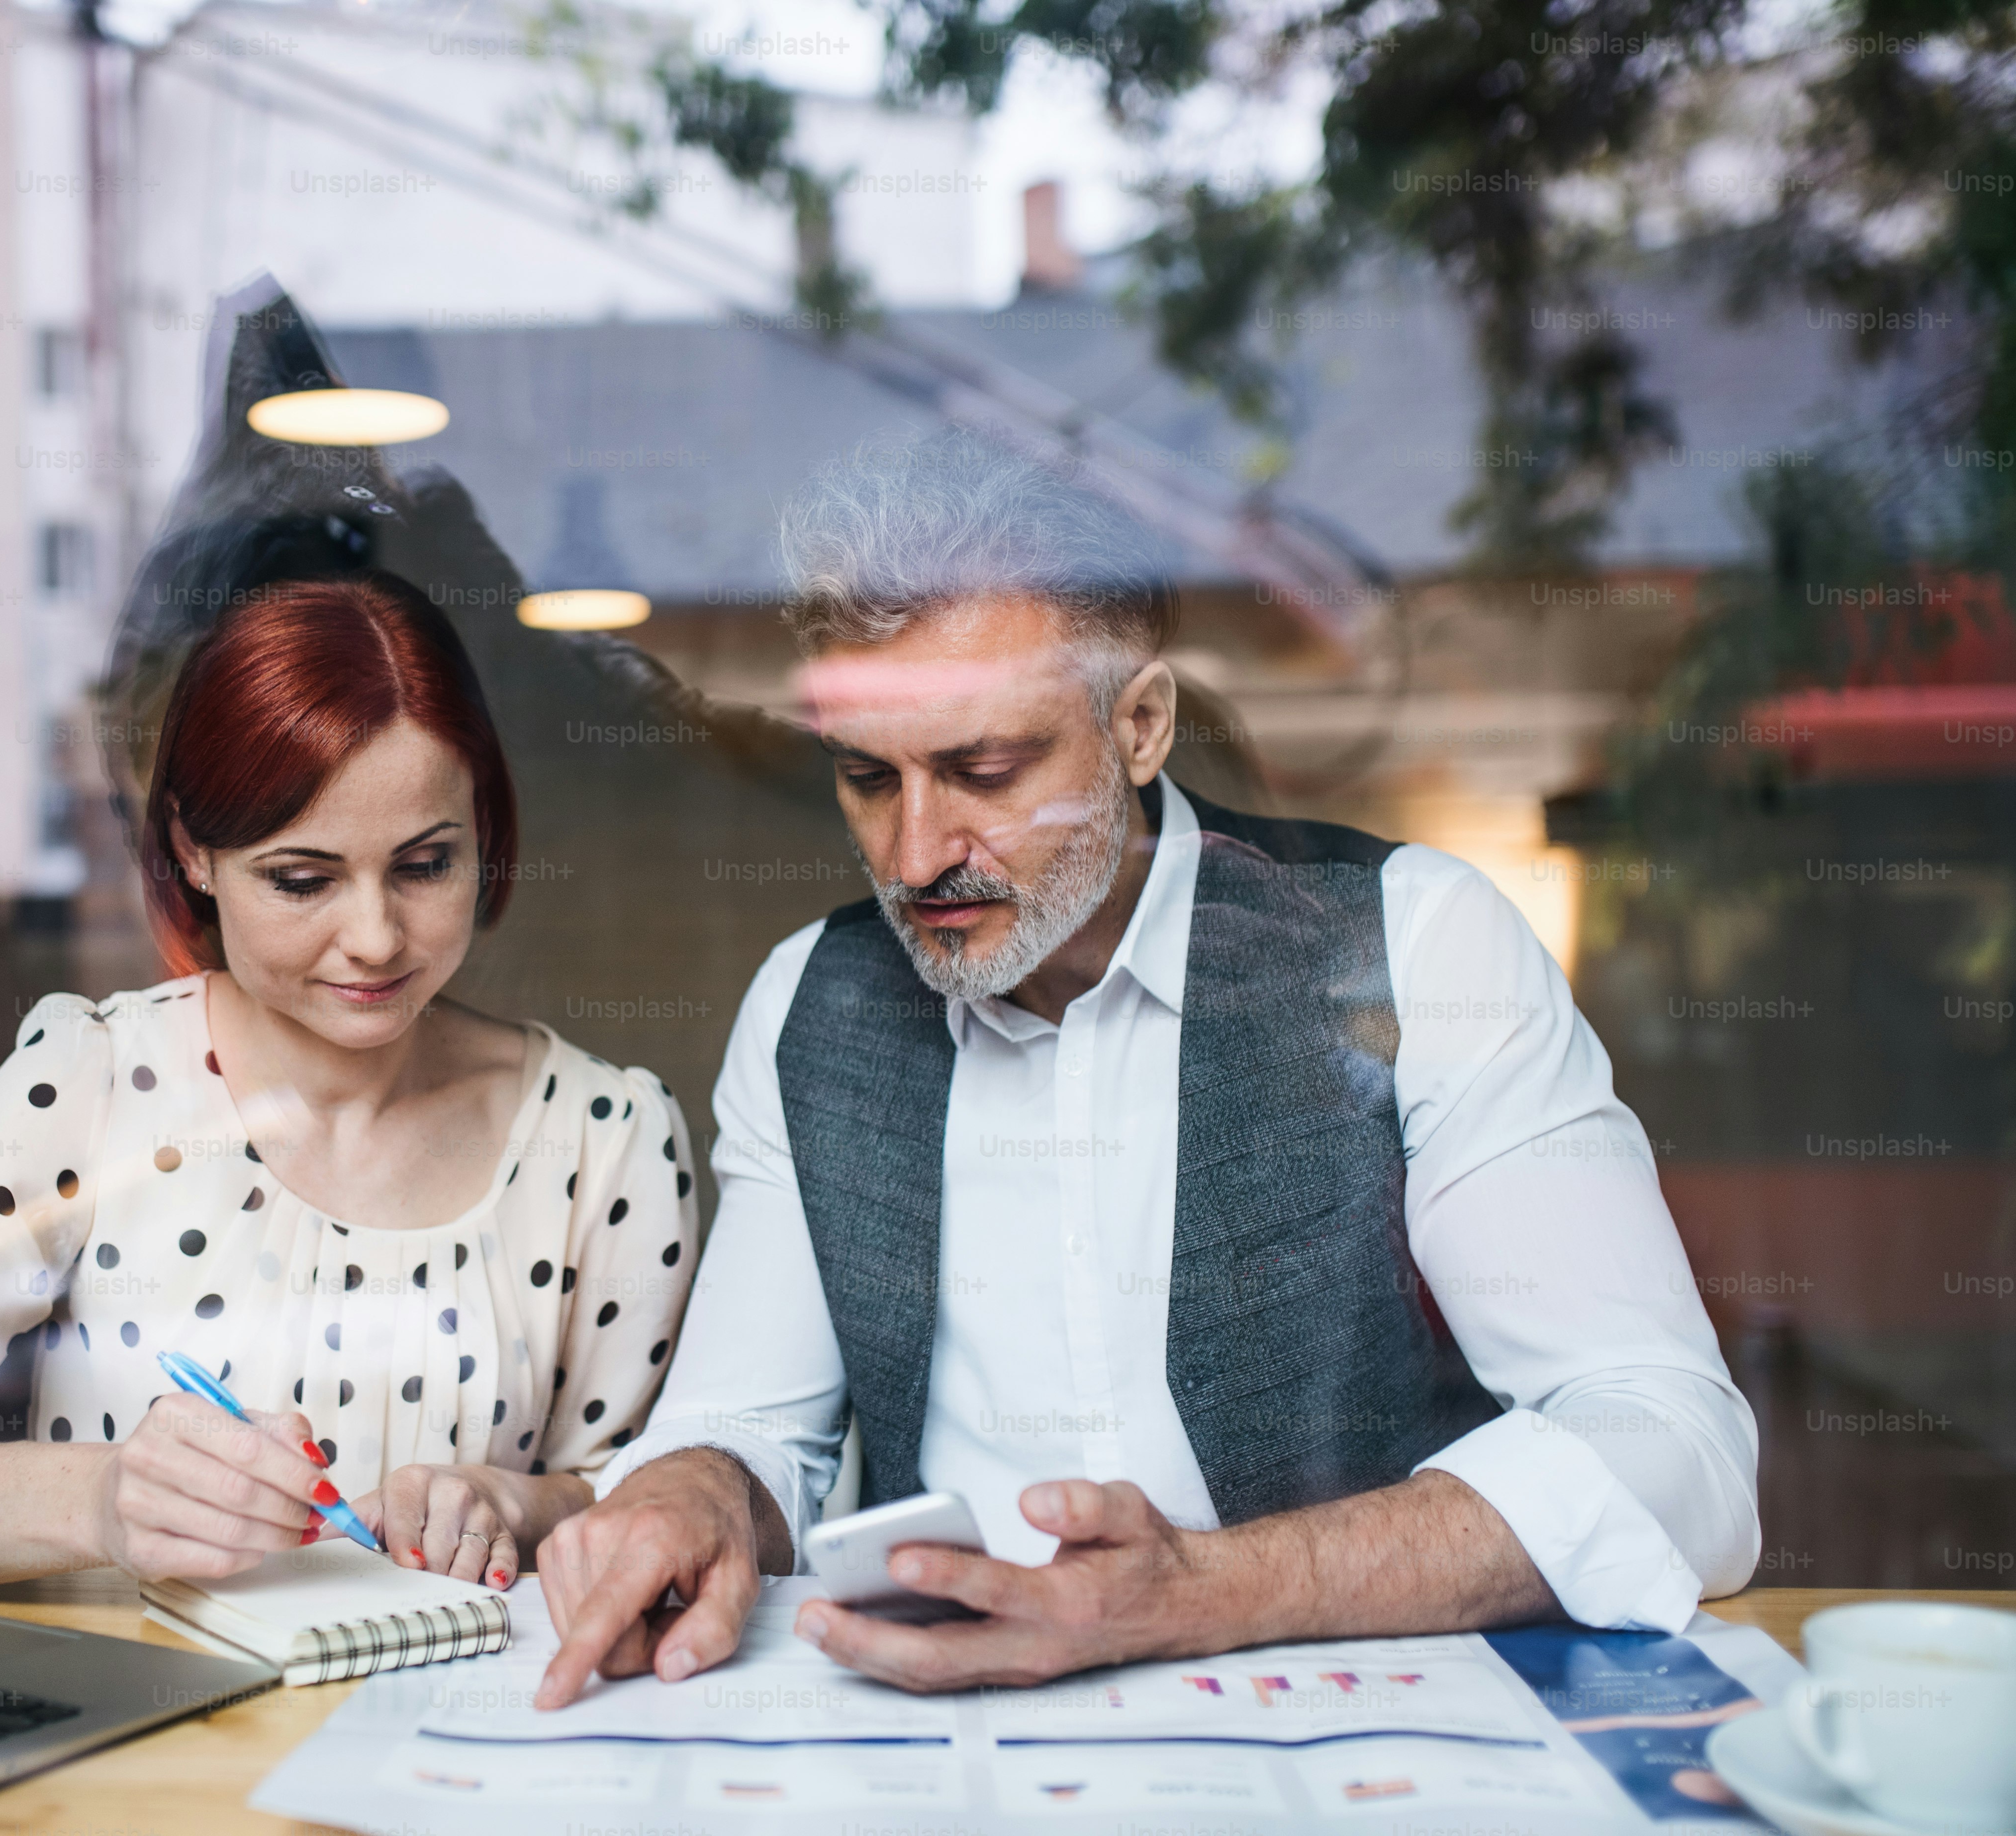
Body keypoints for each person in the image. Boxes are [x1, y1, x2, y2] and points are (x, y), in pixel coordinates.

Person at [534, 431, 1759, 1705]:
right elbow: (750, 1429)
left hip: (1345, 1744)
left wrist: (1206, 1591)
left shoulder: (1414, 944)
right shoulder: (810, 1003)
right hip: (935, 1754)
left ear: (1140, 725)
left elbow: (1674, 1449)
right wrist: (692, 1484)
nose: (912, 854)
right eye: (864, 777)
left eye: (984, 770)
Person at [0, 573, 698, 1592]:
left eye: (425, 864)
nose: (374, 938)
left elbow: (648, 1496)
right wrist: (100, 1499)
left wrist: (513, 1502)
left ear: (484, 832)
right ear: (193, 851)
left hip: (446, 1743)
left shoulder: (604, 1135)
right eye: (302, 879)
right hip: (150, 1742)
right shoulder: (94, 1083)